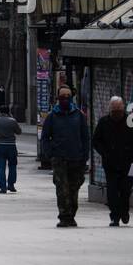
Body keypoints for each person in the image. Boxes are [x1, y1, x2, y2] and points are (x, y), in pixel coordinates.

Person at [39, 85, 90, 228]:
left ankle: (72, 214)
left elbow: (85, 137)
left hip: (76, 158)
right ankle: (64, 216)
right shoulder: (52, 116)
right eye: (62, 97)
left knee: (74, 189)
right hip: (59, 159)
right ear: (58, 98)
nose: (65, 99)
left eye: (68, 96)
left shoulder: (79, 116)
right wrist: (51, 155)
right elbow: (45, 138)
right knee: (62, 189)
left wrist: (84, 156)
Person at [92, 96, 133, 227]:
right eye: (114, 111)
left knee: (126, 190)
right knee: (113, 191)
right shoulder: (104, 122)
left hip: (129, 164)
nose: (117, 114)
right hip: (110, 163)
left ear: (123, 109)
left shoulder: (131, 121)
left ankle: (124, 212)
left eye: (119, 111)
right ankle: (114, 216)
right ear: (110, 110)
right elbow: (96, 141)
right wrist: (104, 152)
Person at [0, 106, 21, 194]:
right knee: (12, 166)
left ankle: (3, 187)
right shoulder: (12, 121)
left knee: (1, 167)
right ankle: (11, 184)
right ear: (8, 112)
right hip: (11, 146)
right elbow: (19, 132)